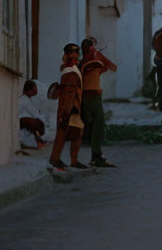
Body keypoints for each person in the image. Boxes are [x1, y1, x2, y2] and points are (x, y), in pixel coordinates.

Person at [79, 37, 117, 168]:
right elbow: (110, 66)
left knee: (90, 124)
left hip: (84, 96)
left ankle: (94, 154)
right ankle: (96, 155)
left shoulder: (82, 62)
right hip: (94, 95)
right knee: (98, 124)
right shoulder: (95, 56)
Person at [48, 43, 85, 171]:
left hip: (74, 106)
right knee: (62, 132)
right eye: (73, 52)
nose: (75, 54)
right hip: (69, 107)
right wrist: (66, 112)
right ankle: (55, 159)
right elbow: (67, 94)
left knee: (77, 132)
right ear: (68, 54)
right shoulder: (69, 72)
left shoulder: (73, 69)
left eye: (77, 52)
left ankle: (73, 161)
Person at [18, 80, 47, 149]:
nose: (33, 94)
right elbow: (34, 113)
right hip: (21, 120)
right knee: (35, 123)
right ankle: (37, 142)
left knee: (34, 123)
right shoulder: (24, 99)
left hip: (22, 119)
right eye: (33, 91)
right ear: (29, 91)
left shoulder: (22, 97)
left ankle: (37, 141)